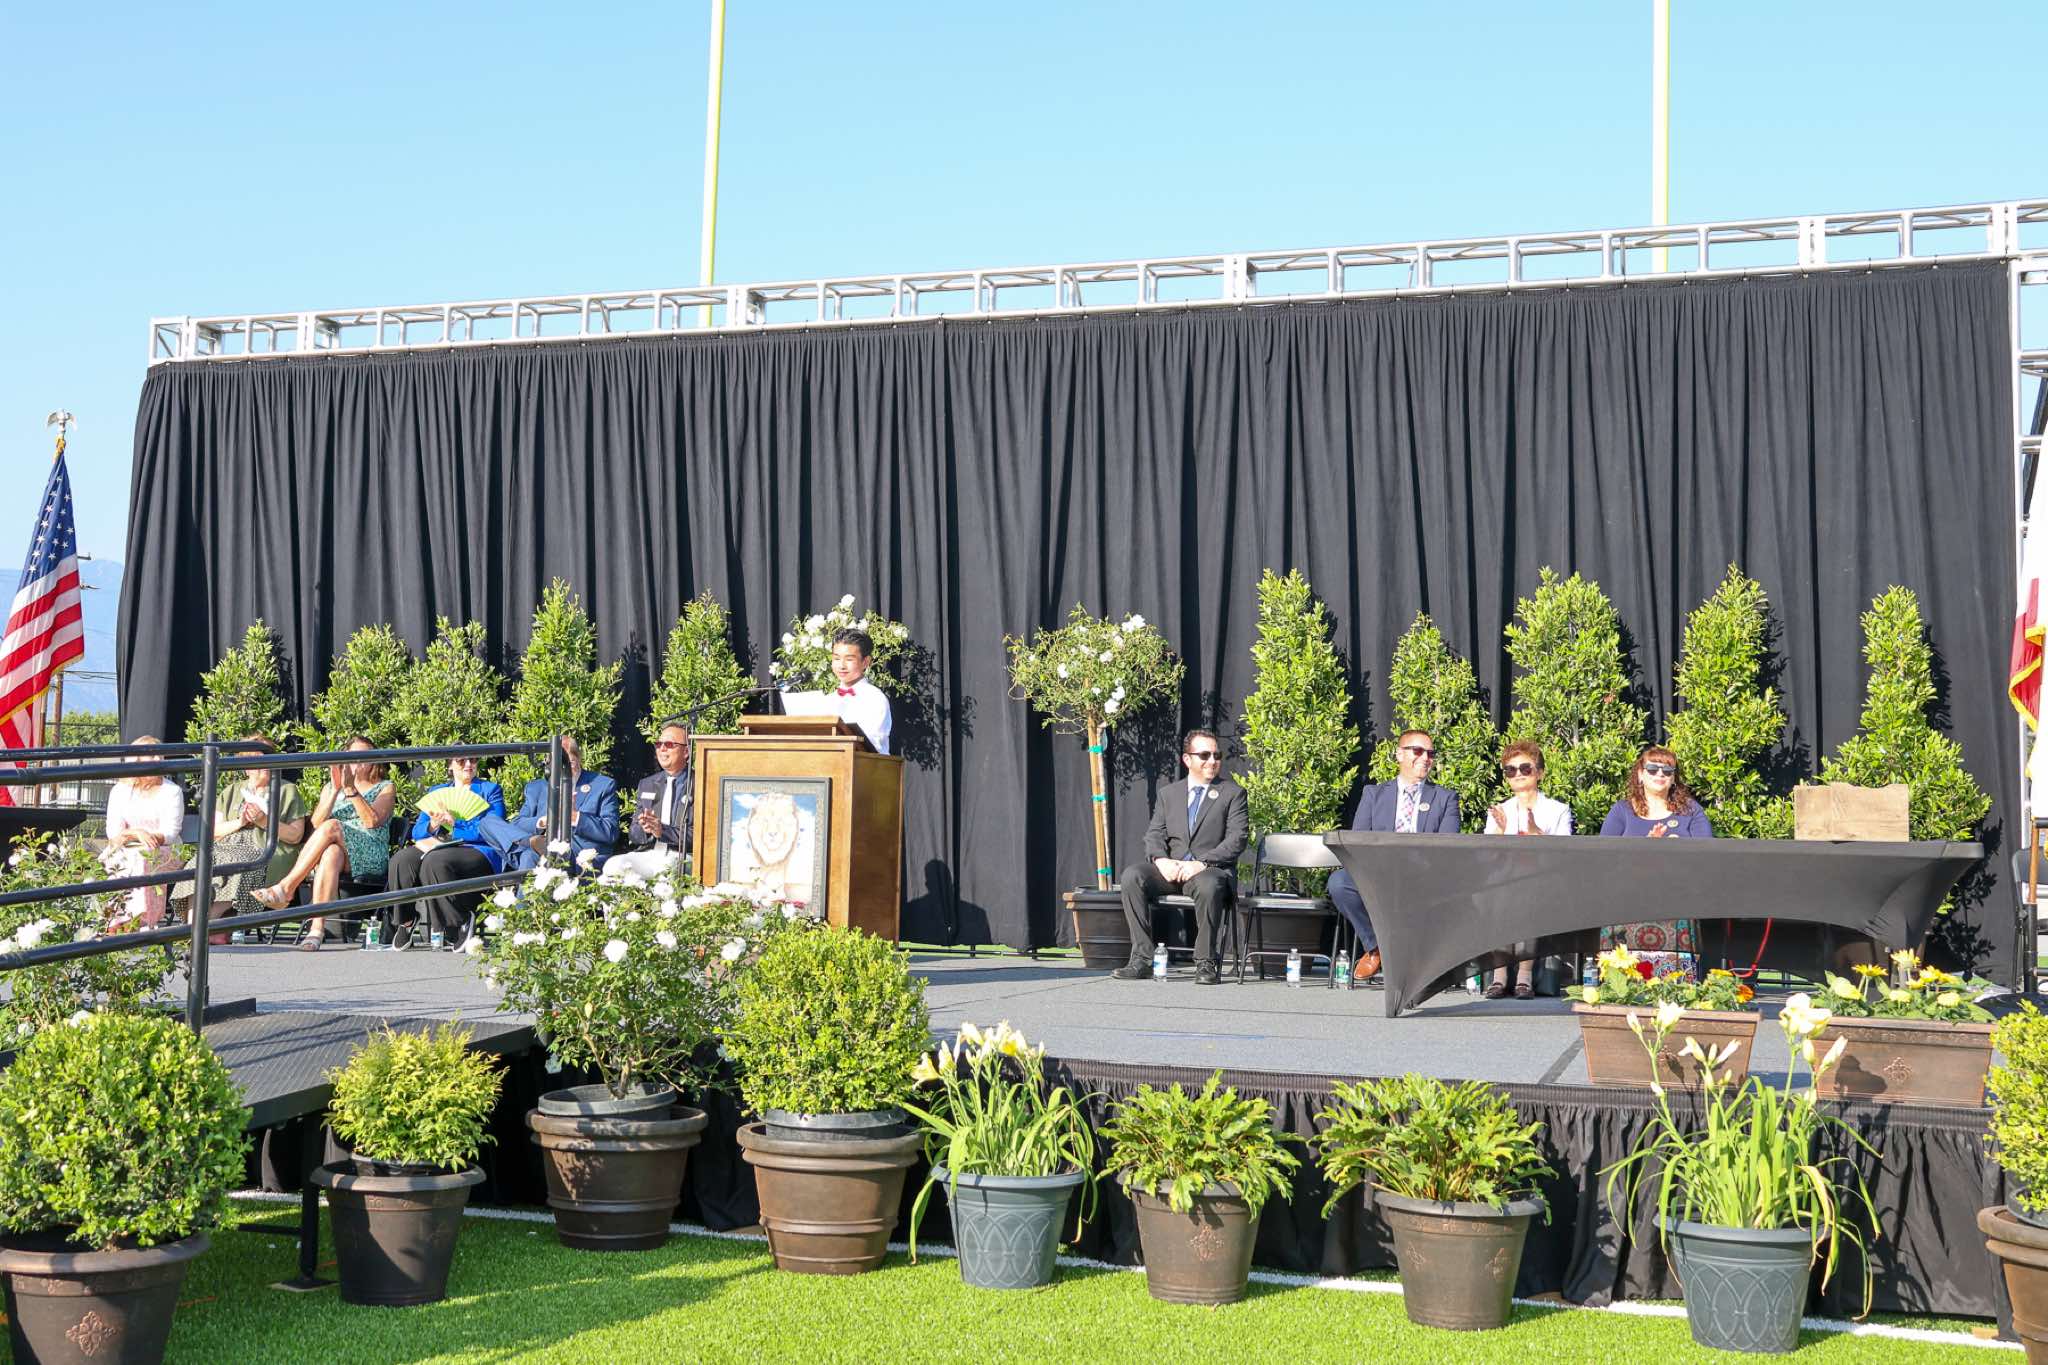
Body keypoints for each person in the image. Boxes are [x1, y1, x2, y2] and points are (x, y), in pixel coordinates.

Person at [1111, 728, 1249, 985]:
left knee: (1209, 884)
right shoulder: (1169, 794)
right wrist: (1161, 860)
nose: (1212, 761)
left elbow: (1237, 839)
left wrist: (1202, 863)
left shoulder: (1232, 793)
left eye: (1216, 755)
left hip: (1208, 870)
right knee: (1132, 876)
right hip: (1172, 869)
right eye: (1204, 755)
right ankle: (1142, 959)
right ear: (1187, 759)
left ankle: (1205, 961)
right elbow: (1154, 834)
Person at [1325, 728, 1460, 982]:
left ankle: (1409, 955)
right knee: (1339, 883)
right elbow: (1359, 841)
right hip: (1379, 874)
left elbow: (1448, 846)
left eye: (1430, 753)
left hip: (1422, 876)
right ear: (1399, 755)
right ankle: (1377, 948)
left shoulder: (1445, 798)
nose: (1425, 758)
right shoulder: (1374, 794)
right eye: (1418, 751)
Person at [252, 737, 395, 949]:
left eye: (364, 756)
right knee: (331, 854)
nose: (358, 762)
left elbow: (371, 822)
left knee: (332, 826)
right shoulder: (331, 787)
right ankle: (316, 930)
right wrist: (336, 791)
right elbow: (316, 824)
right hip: (342, 851)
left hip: (370, 851)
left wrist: (351, 790)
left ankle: (287, 887)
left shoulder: (384, 787)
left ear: (373, 761)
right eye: (353, 756)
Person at [172, 734, 308, 939]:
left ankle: (204, 930)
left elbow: (295, 835)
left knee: (240, 864)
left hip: (265, 848)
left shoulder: (287, 790)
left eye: (266, 756)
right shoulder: (232, 791)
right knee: (199, 863)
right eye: (255, 758)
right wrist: (240, 822)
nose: (261, 764)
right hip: (226, 846)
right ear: (245, 765)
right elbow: (213, 831)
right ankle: (193, 928)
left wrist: (264, 821)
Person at [1599, 745, 1714, 970]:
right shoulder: (1622, 810)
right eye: (1652, 769)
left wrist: (1677, 849)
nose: (1660, 774)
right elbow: (1604, 857)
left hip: (1676, 900)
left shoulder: (1691, 811)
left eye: (1667, 770)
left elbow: (1707, 854)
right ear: (1640, 775)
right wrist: (1645, 848)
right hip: (1628, 900)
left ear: (1673, 778)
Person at [383, 755, 506, 950]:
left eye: (473, 759)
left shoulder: (490, 790)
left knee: (435, 861)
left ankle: (459, 921)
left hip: (476, 848)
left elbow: (494, 828)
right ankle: (406, 921)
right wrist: (433, 824)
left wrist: (456, 824)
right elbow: (417, 831)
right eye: (461, 761)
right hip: (439, 844)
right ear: (450, 765)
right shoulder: (437, 791)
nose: (468, 764)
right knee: (401, 860)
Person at [1482, 739, 1574, 998]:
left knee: (1527, 889)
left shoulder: (1557, 810)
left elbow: (1564, 856)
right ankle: (1500, 975)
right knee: (1498, 890)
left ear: (1539, 773)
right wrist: (1500, 832)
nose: (1518, 774)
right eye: (1511, 770)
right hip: (1504, 882)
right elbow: (1488, 859)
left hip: (1543, 881)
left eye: (1525, 768)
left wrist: (1537, 835)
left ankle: (1524, 975)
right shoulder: (1500, 810)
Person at [480, 734, 619, 872]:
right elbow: (518, 824)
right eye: (559, 763)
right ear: (549, 764)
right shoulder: (536, 788)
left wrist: (573, 817)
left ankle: (539, 851)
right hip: (538, 846)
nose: (565, 769)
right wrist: (544, 821)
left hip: (574, 854)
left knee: (529, 857)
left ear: (579, 759)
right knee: (487, 822)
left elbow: (610, 832)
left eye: (570, 762)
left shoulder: (602, 785)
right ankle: (534, 843)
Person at [102, 735, 186, 931]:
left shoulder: (172, 791)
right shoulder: (120, 790)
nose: (158, 759)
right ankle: (114, 919)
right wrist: (136, 833)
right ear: (137, 760)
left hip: (166, 849)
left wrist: (148, 838)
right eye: (152, 755)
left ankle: (139, 920)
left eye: (160, 755)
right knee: (119, 858)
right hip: (126, 847)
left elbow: (170, 832)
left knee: (142, 857)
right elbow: (113, 832)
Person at [604, 722, 691, 880]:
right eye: (658, 744)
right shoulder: (647, 784)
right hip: (649, 853)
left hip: (682, 856)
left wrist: (662, 831)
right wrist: (646, 828)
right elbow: (634, 834)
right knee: (613, 865)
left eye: (669, 744)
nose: (662, 749)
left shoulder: (699, 784)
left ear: (686, 751)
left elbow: (702, 836)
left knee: (665, 870)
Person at [784, 628, 892, 754]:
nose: (841, 665)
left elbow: (873, 745)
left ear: (865, 662)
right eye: (836, 658)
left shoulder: (875, 699)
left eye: (849, 659)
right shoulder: (828, 699)